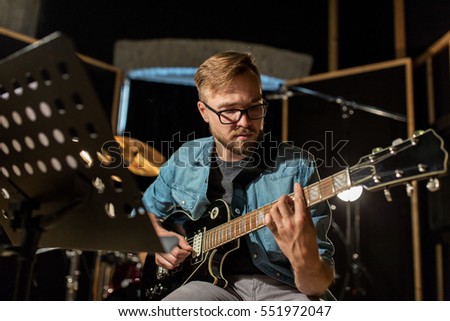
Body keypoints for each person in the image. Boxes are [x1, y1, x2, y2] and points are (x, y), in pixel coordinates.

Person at [141, 50, 335, 301]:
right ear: (204, 111)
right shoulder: (184, 160)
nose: (244, 121)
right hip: (210, 288)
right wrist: (160, 237)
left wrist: (305, 262)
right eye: (229, 111)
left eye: (254, 106)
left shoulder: (297, 166)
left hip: (286, 288)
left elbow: (316, 286)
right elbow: (142, 212)